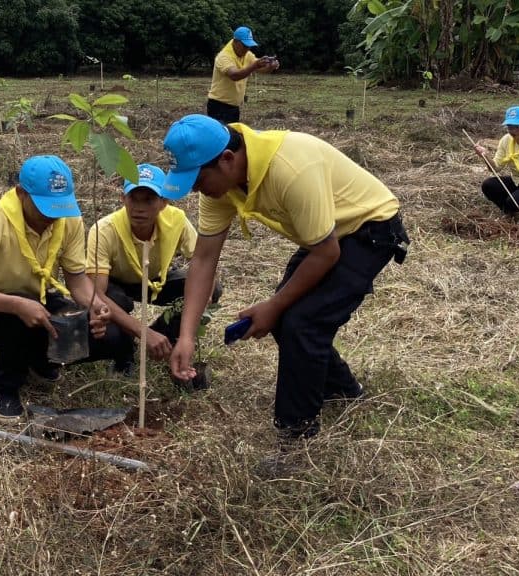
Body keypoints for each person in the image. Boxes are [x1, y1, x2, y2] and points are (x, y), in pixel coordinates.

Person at [160, 114, 409, 441]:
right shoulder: (222, 185)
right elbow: (204, 260)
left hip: (369, 229)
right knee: (288, 316)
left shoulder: (290, 169)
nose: (195, 189)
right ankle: (343, 390)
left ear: (227, 159)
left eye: (197, 179)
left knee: (302, 321)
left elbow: (327, 253)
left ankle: (296, 431)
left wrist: (274, 305)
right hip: (325, 236)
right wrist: (187, 336)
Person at [0, 155, 132, 419]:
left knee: (110, 337)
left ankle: (39, 361)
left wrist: (95, 304)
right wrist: (15, 304)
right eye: (44, 208)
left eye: (59, 208)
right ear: (21, 193)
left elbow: (76, 280)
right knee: (18, 318)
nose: (52, 217)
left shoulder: (68, 219)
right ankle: (4, 386)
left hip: (40, 300)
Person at [85, 163, 222, 387]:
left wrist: (192, 324)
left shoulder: (177, 220)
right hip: (116, 283)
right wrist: (143, 332)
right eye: (134, 199)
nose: (139, 208)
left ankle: (166, 339)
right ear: (123, 199)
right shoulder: (104, 229)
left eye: (149, 200)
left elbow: (204, 263)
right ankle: (124, 354)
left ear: (164, 202)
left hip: (155, 280)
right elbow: (97, 294)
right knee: (113, 302)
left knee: (210, 288)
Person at [206, 26, 280, 124]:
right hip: (219, 107)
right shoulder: (223, 57)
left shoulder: (247, 54)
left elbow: (260, 69)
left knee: (232, 137)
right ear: (235, 42)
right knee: (220, 137)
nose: (247, 48)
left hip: (234, 107)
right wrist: (255, 65)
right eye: (244, 45)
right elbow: (234, 75)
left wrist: (271, 66)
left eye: (249, 46)